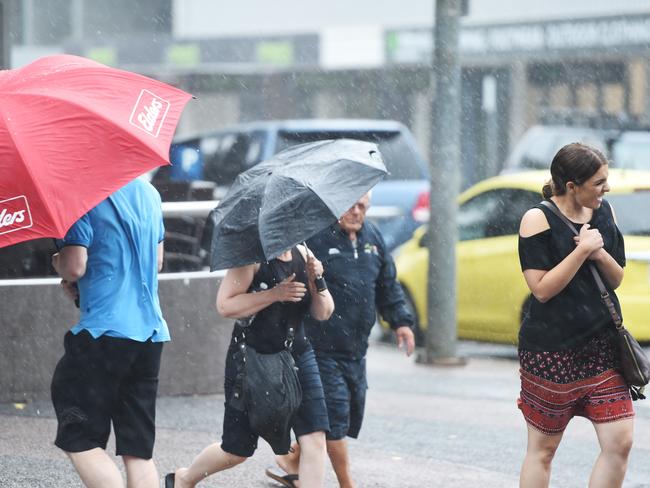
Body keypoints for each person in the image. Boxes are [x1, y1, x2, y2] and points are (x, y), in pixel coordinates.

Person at [267, 192, 415, 488]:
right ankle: (347, 484)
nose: (357, 212)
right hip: (321, 347)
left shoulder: (373, 237)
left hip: (356, 349)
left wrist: (401, 322)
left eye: (363, 206)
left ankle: (295, 460)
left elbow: (387, 284)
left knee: (349, 414)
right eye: (351, 205)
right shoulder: (317, 238)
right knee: (334, 420)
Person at [167, 244, 335, 488]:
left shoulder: (305, 253)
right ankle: (184, 478)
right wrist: (274, 294)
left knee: (314, 437)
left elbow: (324, 312)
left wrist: (316, 278)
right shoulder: (251, 257)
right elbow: (225, 306)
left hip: (298, 356)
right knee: (236, 451)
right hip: (251, 360)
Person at [517, 143, 634, 488]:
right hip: (550, 350)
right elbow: (541, 288)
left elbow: (617, 278)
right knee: (543, 449)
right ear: (572, 186)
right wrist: (581, 251)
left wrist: (599, 254)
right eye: (598, 183)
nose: (606, 189)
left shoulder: (604, 212)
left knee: (621, 441)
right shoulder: (537, 218)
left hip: (601, 347)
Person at [50, 178, 168, 488]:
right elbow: (156, 262)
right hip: (150, 334)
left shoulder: (79, 193)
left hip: (103, 333)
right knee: (138, 450)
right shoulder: (149, 193)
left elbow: (75, 266)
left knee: (79, 436)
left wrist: (57, 261)